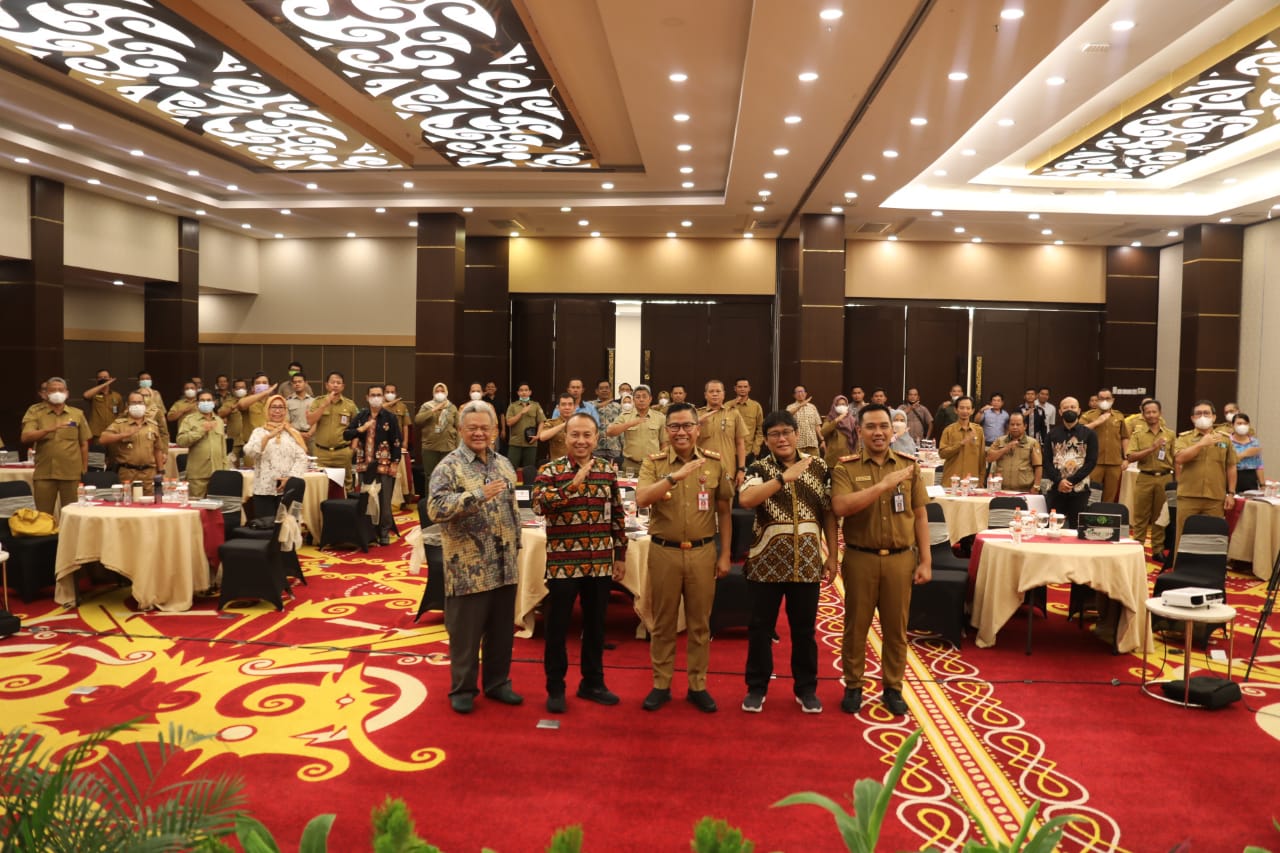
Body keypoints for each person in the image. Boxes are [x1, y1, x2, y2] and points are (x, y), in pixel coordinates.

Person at [831, 403, 931, 717]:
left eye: (884, 426)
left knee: (896, 628)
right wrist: (884, 485)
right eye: (871, 427)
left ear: (893, 429)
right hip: (861, 557)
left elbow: (919, 515)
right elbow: (841, 507)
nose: (878, 433)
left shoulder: (909, 465)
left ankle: (892, 687)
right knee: (856, 626)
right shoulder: (845, 468)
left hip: (901, 559)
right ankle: (854, 685)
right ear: (859, 431)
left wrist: (926, 561)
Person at [737, 410, 838, 714]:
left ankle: (806, 689)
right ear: (766, 440)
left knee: (804, 630)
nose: (782, 439)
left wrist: (833, 555)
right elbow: (747, 499)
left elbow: (829, 513)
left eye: (786, 432)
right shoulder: (759, 467)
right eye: (774, 434)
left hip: (806, 563)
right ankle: (756, 688)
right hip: (765, 563)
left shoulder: (818, 466)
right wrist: (782, 479)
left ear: (797, 434)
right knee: (760, 628)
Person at [635, 402, 733, 713]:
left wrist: (725, 554)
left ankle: (697, 685)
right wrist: (673, 477)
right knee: (662, 624)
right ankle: (661, 684)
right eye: (675, 426)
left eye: (687, 425)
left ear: (697, 429)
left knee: (699, 624)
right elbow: (641, 499)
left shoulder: (714, 463)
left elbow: (725, 512)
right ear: (666, 431)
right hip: (664, 551)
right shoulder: (654, 463)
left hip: (703, 552)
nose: (681, 432)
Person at [427, 401, 523, 714]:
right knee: (465, 635)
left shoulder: (505, 464)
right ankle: (463, 688)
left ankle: (498, 683)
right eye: (473, 428)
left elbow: (512, 509)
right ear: (460, 430)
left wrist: (516, 547)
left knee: (500, 632)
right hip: (468, 567)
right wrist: (477, 495)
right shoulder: (449, 466)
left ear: (496, 430)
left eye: (485, 428)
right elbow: (436, 508)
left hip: (504, 565)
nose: (479, 433)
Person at [532, 412, 627, 713]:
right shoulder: (550, 470)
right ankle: (556, 687)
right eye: (575, 435)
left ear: (597, 438)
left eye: (587, 435)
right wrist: (571, 486)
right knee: (557, 628)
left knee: (596, 627)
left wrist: (620, 554)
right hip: (563, 562)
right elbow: (538, 506)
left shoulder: (607, 471)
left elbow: (617, 514)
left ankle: (593, 682)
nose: (581, 441)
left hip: (599, 562)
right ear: (566, 437)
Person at [21, 377, 90, 514]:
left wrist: (84, 470)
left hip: (71, 473)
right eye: (53, 390)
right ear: (46, 393)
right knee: (43, 515)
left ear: (67, 393)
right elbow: (25, 437)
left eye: (61, 390)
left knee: (73, 513)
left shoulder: (77, 414)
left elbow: (84, 443)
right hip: (45, 472)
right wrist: (48, 429)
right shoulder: (35, 412)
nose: (57, 393)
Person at [1173, 400, 1237, 548]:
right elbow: (1180, 458)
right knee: (1183, 537)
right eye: (1198, 414)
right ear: (1192, 418)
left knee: (1212, 538)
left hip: (1215, 497)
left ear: (1214, 417)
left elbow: (1231, 467)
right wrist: (1201, 443)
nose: (1203, 416)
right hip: (1189, 496)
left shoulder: (1225, 439)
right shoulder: (1184, 438)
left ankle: (1209, 571)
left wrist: (1231, 493)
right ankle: (1181, 570)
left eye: (1206, 413)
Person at [344, 385, 402, 545]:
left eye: (378, 395)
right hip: (364, 465)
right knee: (366, 499)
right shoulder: (361, 416)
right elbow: (346, 434)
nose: (376, 397)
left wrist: (395, 463)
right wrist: (360, 429)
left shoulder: (389, 417)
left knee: (384, 501)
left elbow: (397, 442)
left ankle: (384, 532)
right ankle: (368, 531)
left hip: (384, 465)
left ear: (383, 397)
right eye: (373, 395)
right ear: (367, 397)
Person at [243, 394, 310, 521]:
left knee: (288, 526)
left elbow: (302, 458)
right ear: (267, 410)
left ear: (285, 410)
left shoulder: (293, 433)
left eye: (281, 407)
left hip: (288, 490)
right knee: (266, 528)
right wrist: (268, 437)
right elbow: (250, 452)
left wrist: (289, 479)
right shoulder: (259, 432)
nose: (277, 411)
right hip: (264, 489)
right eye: (273, 407)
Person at [1125, 399, 1175, 556]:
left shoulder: (1170, 434)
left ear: (1160, 413)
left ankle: (1158, 550)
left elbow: (1176, 457)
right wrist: (1152, 448)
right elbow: (1131, 456)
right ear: (1143, 414)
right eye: (1148, 412)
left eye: (1154, 412)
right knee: (1140, 516)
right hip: (1145, 477)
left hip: (1165, 478)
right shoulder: (1138, 435)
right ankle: (1137, 548)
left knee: (1160, 517)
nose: (1151, 415)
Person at [1042, 396, 1098, 529]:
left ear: (1079, 411)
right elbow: (1046, 462)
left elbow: (1091, 461)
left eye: (1073, 407)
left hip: (1079, 489)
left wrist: (1071, 481)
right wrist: (1059, 481)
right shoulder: (1052, 434)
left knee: (1077, 529)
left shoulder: (1089, 434)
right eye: (1065, 407)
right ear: (1060, 412)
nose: (1069, 410)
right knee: (1053, 528)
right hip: (1056, 488)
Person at [308, 372, 359, 493]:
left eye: (338, 383)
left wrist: (353, 448)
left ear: (343, 386)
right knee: (320, 486)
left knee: (346, 487)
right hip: (321, 453)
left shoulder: (350, 405)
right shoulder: (318, 402)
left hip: (342, 452)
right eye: (332, 382)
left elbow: (356, 428)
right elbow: (310, 421)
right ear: (327, 385)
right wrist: (324, 405)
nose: (335, 385)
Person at [177, 390, 228, 499]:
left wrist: (225, 472)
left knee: (216, 509)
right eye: (202, 400)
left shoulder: (219, 421)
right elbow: (181, 441)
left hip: (217, 474)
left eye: (209, 400)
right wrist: (201, 430)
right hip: (197, 475)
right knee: (197, 508)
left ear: (214, 402)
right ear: (197, 403)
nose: (206, 403)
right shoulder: (189, 420)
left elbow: (223, 448)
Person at [1080, 389, 1129, 503]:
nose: (1105, 401)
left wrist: (1126, 458)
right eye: (1101, 399)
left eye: (1108, 398)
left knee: (1110, 496)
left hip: (1115, 462)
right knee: (1092, 495)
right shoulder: (1088, 416)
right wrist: (1097, 422)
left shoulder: (1119, 416)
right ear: (1097, 401)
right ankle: (1090, 517)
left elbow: (1124, 437)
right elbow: (1079, 432)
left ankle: (1106, 517)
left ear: (1112, 400)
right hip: (1094, 462)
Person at [607, 384, 666, 477]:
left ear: (650, 399)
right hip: (630, 465)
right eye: (638, 397)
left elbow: (664, 443)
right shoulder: (625, 416)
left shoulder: (660, 417)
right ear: (633, 400)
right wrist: (631, 423)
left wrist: (662, 463)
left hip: (653, 465)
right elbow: (610, 432)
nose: (641, 399)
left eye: (644, 397)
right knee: (629, 491)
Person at [697, 379, 747, 486]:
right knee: (703, 502)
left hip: (727, 469)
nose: (715, 394)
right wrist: (697, 423)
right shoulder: (696, 415)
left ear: (723, 394)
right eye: (711, 391)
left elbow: (740, 443)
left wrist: (741, 469)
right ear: (705, 395)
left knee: (726, 502)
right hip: (702, 470)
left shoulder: (734, 414)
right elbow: (688, 441)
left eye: (718, 391)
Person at [415, 382, 460, 484]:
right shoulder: (426, 406)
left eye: (442, 391)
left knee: (447, 476)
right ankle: (430, 499)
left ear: (446, 392)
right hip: (430, 447)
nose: (440, 393)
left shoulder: (452, 407)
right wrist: (433, 410)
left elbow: (458, 428)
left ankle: (445, 500)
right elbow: (418, 420)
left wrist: (458, 448)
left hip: (448, 447)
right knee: (430, 476)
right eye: (437, 391)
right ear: (433, 393)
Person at [985, 411, 1041, 491]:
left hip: (1024, 489)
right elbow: (989, 458)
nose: (1015, 427)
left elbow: (1038, 467)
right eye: (1012, 424)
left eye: (1018, 424)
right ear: (1008, 426)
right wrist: (1005, 449)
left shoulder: (1032, 443)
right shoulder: (999, 441)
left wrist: (1036, 486)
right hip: (1001, 489)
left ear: (1025, 426)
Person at [938, 396, 984, 485]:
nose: (965, 411)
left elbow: (981, 459)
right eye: (961, 408)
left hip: (972, 482)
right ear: (956, 410)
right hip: (951, 481)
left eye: (968, 408)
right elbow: (942, 454)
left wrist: (981, 481)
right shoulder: (948, 430)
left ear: (972, 411)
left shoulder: (978, 431)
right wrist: (961, 444)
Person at [504, 383, 546, 472]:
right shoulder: (513, 406)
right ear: (518, 393)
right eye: (521, 390)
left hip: (531, 442)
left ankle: (528, 486)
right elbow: (509, 422)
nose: (524, 392)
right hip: (515, 442)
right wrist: (521, 413)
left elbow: (542, 421)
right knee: (511, 468)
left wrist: (538, 436)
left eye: (526, 390)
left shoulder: (535, 405)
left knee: (529, 469)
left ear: (530, 392)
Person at [727, 377, 766, 462]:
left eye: (745, 387)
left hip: (748, 452)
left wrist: (755, 449)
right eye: (740, 387)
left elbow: (761, 429)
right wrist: (731, 406)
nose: (742, 389)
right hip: (729, 452)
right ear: (735, 389)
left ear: (749, 388)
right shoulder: (727, 405)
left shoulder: (756, 406)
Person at [82, 369, 122, 440]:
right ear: (97, 380)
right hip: (97, 433)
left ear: (110, 378)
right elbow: (85, 395)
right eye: (100, 377)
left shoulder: (117, 395)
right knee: (98, 451)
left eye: (105, 377)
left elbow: (120, 413)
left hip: (113, 431)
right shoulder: (93, 394)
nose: (103, 379)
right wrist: (104, 384)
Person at [589, 379, 622, 463]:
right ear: (596, 391)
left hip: (614, 446)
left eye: (607, 388)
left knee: (614, 473)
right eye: (601, 388)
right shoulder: (590, 405)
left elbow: (621, 426)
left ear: (610, 390)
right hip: (596, 447)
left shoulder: (618, 406)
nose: (604, 390)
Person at [1231, 412, 1265, 493]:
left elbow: (1259, 465)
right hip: (1233, 476)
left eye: (1245, 423)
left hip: (1251, 478)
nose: (1242, 426)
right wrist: (1245, 454)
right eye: (1239, 423)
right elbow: (1227, 463)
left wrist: (1262, 484)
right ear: (1232, 425)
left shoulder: (1254, 442)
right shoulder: (1227, 441)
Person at [537, 393, 578, 461]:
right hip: (558, 466)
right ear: (558, 407)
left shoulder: (581, 423)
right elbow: (542, 437)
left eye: (570, 404)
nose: (567, 407)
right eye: (563, 404)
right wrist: (564, 424)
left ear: (574, 407)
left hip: (577, 464)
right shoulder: (551, 423)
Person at [217, 378, 249, 465]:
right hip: (235, 441)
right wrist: (231, 408)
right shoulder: (229, 402)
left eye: (243, 387)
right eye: (238, 388)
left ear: (246, 389)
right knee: (233, 466)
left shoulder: (251, 400)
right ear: (234, 390)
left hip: (249, 440)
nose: (241, 390)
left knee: (250, 466)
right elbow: (220, 414)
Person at [786, 385, 823, 456]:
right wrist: (801, 405)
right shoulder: (790, 407)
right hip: (797, 445)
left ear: (806, 394)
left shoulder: (812, 407)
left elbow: (817, 426)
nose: (800, 394)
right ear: (794, 395)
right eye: (797, 392)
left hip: (812, 443)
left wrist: (822, 440)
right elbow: (787, 415)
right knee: (798, 466)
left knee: (815, 465)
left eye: (802, 391)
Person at [821, 395, 856, 466]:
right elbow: (823, 432)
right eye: (838, 404)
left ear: (847, 405)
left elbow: (856, 438)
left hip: (848, 457)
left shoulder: (852, 420)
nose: (841, 406)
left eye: (843, 404)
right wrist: (837, 420)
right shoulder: (829, 419)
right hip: (833, 458)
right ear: (834, 406)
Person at [286, 373, 316, 447]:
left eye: (300, 382)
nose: (297, 384)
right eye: (295, 382)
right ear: (292, 385)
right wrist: (299, 434)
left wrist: (309, 434)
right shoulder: (287, 402)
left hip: (311, 438)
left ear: (305, 383)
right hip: (294, 437)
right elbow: (286, 422)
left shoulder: (314, 401)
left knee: (313, 458)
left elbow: (317, 421)